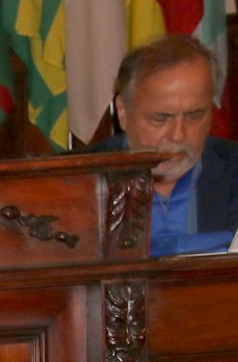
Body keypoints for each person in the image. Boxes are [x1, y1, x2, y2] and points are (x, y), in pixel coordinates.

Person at [95, 34, 238, 256]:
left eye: (194, 116)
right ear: (123, 112)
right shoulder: (72, 180)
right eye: (160, 119)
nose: (178, 135)